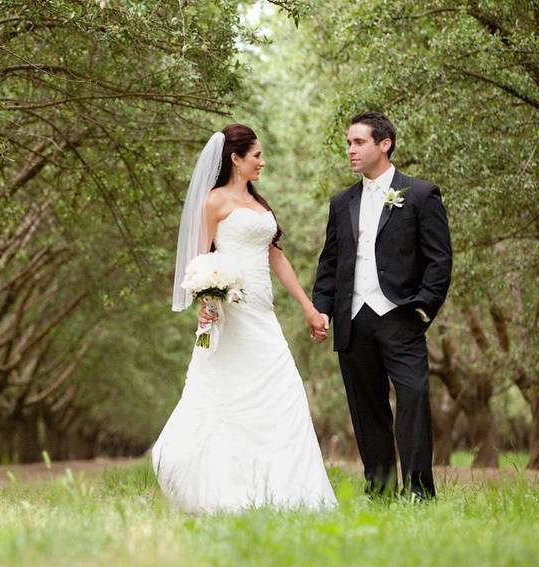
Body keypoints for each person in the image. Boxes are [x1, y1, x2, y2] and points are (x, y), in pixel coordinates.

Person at [150, 123, 337, 514]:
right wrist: (206, 298)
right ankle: (222, 488)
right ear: (235, 159)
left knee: (283, 392)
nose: (262, 162)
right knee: (227, 395)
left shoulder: (260, 203)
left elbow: (276, 256)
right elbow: (200, 260)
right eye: (256, 156)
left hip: (263, 314)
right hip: (230, 314)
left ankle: (292, 492)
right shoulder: (214, 203)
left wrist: (308, 306)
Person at [311, 112, 452, 500]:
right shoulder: (342, 202)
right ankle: (381, 492)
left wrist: (422, 309)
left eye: (358, 142)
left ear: (384, 144)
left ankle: (420, 493)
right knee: (367, 409)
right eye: (348, 144)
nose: (351, 150)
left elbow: (439, 260)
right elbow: (330, 262)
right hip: (353, 321)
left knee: (414, 398)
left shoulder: (422, 194)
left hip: (401, 316)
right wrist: (321, 309)